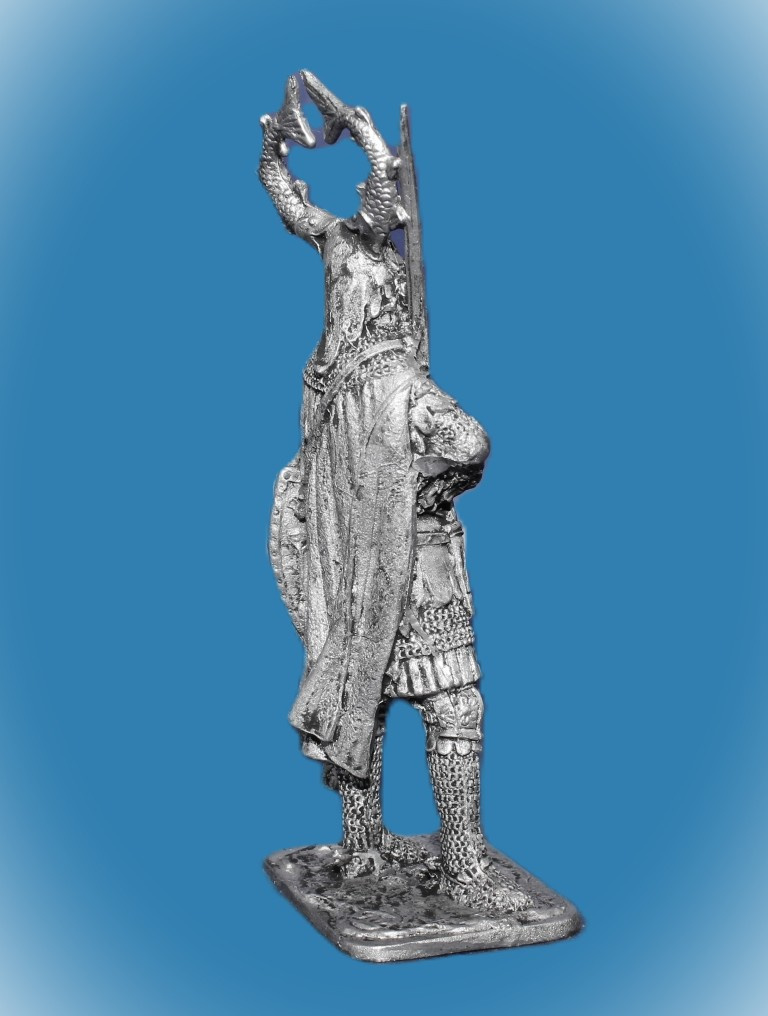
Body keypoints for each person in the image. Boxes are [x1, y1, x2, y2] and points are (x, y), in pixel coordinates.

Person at [260, 73, 529, 910]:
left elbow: (309, 198)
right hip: (389, 545)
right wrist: (284, 146)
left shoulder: (351, 377)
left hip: (383, 558)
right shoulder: (380, 368)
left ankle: (409, 852)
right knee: (405, 696)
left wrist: (309, 141)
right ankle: (414, 856)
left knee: (402, 696)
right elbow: (471, 445)